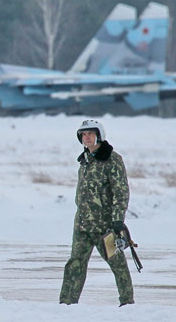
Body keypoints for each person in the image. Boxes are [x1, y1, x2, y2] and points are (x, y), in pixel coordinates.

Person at [59, 120, 134, 306]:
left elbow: (121, 191)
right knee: (74, 264)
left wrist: (117, 219)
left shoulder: (112, 160)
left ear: (99, 135)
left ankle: (127, 303)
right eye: (83, 135)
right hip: (82, 224)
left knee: (117, 264)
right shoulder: (84, 160)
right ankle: (66, 305)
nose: (87, 138)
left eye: (90, 134)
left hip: (104, 225)